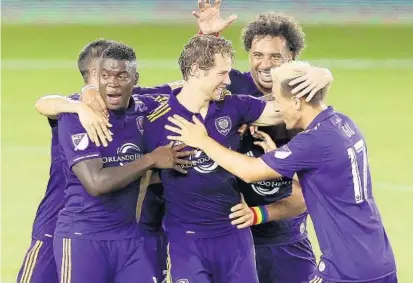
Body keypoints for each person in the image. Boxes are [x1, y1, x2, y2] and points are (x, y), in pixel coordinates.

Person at [165, 62, 398, 283]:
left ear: (297, 102)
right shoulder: (343, 123)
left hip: (347, 268)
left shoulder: (314, 141)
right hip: (380, 258)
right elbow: (324, 177)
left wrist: (203, 140)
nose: (276, 108)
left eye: (277, 100)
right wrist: (282, 161)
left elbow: (249, 171)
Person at [144, 34, 323, 283]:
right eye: (222, 73)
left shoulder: (233, 107)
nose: (229, 80)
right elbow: (108, 102)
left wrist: (320, 76)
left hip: (233, 233)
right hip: (185, 240)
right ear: (196, 70)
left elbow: (289, 108)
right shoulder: (155, 117)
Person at [193, 2, 335, 281]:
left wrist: (325, 74)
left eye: (275, 57)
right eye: (257, 55)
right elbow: (196, 77)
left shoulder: (304, 102)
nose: (265, 64)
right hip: (230, 236)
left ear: (292, 57)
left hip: (286, 239)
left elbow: (308, 192)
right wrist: (207, 38)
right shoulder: (230, 85)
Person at [31, 39, 177, 283]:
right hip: (71, 227)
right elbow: (43, 103)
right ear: (92, 78)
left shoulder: (138, 105)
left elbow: (190, 87)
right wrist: (151, 160)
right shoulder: (74, 114)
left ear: (133, 78)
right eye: (103, 75)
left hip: (127, 235)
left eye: (120, 75)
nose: (112, 82)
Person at [17, 39, 116, 283]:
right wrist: (78, 106)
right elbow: (43, 103)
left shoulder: (132, 108)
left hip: (106, 230)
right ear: (95, 73)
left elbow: (184, 88)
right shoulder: (70, 112)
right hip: (57, 220)